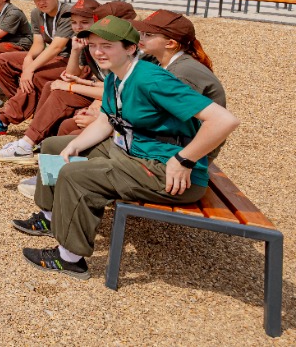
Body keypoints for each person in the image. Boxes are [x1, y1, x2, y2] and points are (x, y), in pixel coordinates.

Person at [13, 15, 239, 280]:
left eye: (108, 45)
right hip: (131, 152)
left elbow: (224, 121)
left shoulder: (151, 79)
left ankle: (69, 258)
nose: (98, 51)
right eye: (94, 44)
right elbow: (108, 120)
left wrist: (185, 160)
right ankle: (51, 218)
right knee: (53, 146)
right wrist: (75, 145)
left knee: (76, 176)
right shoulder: (115, 75)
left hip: (166, 170)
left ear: (131, 48)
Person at [0, 0, 74, 136]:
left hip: (69, 60)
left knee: (34, 74)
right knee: (0, 61)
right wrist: (29, 58)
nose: (41, 2)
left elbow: (57, 47)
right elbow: (38, 44)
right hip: (50, 56)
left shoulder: (68, 13)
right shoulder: (37, 13)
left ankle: (5, 118)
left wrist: (30, 69)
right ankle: (23, 106)